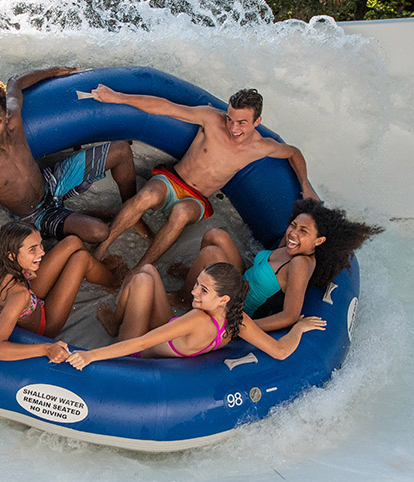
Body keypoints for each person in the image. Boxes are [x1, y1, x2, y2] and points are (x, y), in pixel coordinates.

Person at [0, 68, 138, 297]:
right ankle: (72, 226)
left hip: (51, 181)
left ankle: (132, 210)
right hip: (36, 215)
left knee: (121, 150)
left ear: (6, 115)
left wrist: (58, 71)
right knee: (99, 232)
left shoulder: (14, 121)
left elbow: (15, 82)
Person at [90, 84, 319, 268]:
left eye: (242, 123)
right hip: (173, 180)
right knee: (145, 197)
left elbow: (293, 152)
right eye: (230, 119)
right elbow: (166, 107)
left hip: (196, 199)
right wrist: (117, 96)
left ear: (257, 122)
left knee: (180, 214)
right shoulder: (211, 118)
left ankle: (141, 269)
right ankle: (102, 247)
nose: (233, 128)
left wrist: (305, 185)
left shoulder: (261, 147)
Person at [170, 198, 384, 332]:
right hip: (245, 279)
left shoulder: (300, 264)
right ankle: (192, 276)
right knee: (216, 235)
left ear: (319, 241)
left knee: (211, 253)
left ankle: (185, 298)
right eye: (294, 225)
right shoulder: (290, 243)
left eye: (303, 231)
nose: (293, 233)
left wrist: (241, 328)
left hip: (240, 305)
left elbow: (290, 315)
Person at [66, 262, 326, 370]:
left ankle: (115, 323)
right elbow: (280, 351)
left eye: (203, 289)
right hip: (171, 333)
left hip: (138, 350)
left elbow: (141, 343)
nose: (194, 291)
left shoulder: (197, 319)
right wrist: (298, 329)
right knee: (147, 270)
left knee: (142, 278)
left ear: (223, 298)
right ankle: (118, 314)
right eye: (197, 284)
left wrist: (91, 355)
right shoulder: (238, 319)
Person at [0, 221, 122, 363]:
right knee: (81, 259)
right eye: (32, 249)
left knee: (72, 242)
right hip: (45, 324)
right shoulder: (18, 295)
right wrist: (46, 348)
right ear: (12, 255)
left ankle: (99, 268)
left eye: (40, 245)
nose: (42, 252)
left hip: (28, 289)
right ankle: (115, 282)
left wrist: (23, 268)